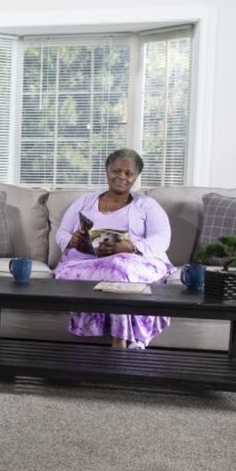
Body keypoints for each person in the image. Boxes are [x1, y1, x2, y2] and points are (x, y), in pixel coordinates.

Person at [53, 149, 174, 350]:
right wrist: (72, 240)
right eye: (116, 171)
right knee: (111, 269)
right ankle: (122, 341)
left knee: (119, 268)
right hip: (85, 261)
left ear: (135, 177)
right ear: (107, 171)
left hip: (132, 262)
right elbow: (62, 232)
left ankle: (121, 340)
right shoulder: (85, 201)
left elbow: (162, 238)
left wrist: (132, 247)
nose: (122, 177)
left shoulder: (147, 205)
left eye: (129, 173)